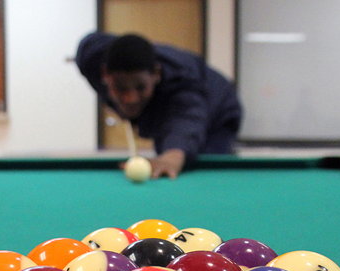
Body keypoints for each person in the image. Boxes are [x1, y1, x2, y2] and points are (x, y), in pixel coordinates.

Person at [75, 32, 242, 179]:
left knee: (197, 165)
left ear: (156, 74)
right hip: (163, 103)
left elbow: (186, 121)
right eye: (120, 88)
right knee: (163, 150)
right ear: (105, 74)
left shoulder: (182, 83)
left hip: (220, 113)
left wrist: (172, 156)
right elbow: (89, 42)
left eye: (140, 87)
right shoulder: (91, 58)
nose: (131, 98)